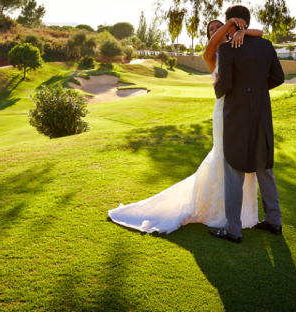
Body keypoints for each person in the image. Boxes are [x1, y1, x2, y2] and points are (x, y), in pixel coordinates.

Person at [108, 16, 264, 234]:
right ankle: (220, 211)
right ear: (209, 34)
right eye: (212, 28)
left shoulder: (237, 47)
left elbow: (260, 34)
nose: (216, 30)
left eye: (219, 27)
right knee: (223, 154)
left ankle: (239, 213)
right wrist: (230, 24)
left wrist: (241, 32)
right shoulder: (211, 54)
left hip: (242, 111)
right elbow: (213, 45)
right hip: (223, 110)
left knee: (241, 156)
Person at [209, 5, 285, 244]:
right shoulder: (266, 45)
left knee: (233, 169)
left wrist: (217, 86)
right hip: (262, 113)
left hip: (237, 116)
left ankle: (233, 229)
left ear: (232, 23)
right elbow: (279, 78)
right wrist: (258, 91)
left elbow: (225, 86)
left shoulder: (227, 48)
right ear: (248, 21)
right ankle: (274, 221)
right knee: (264, 168)